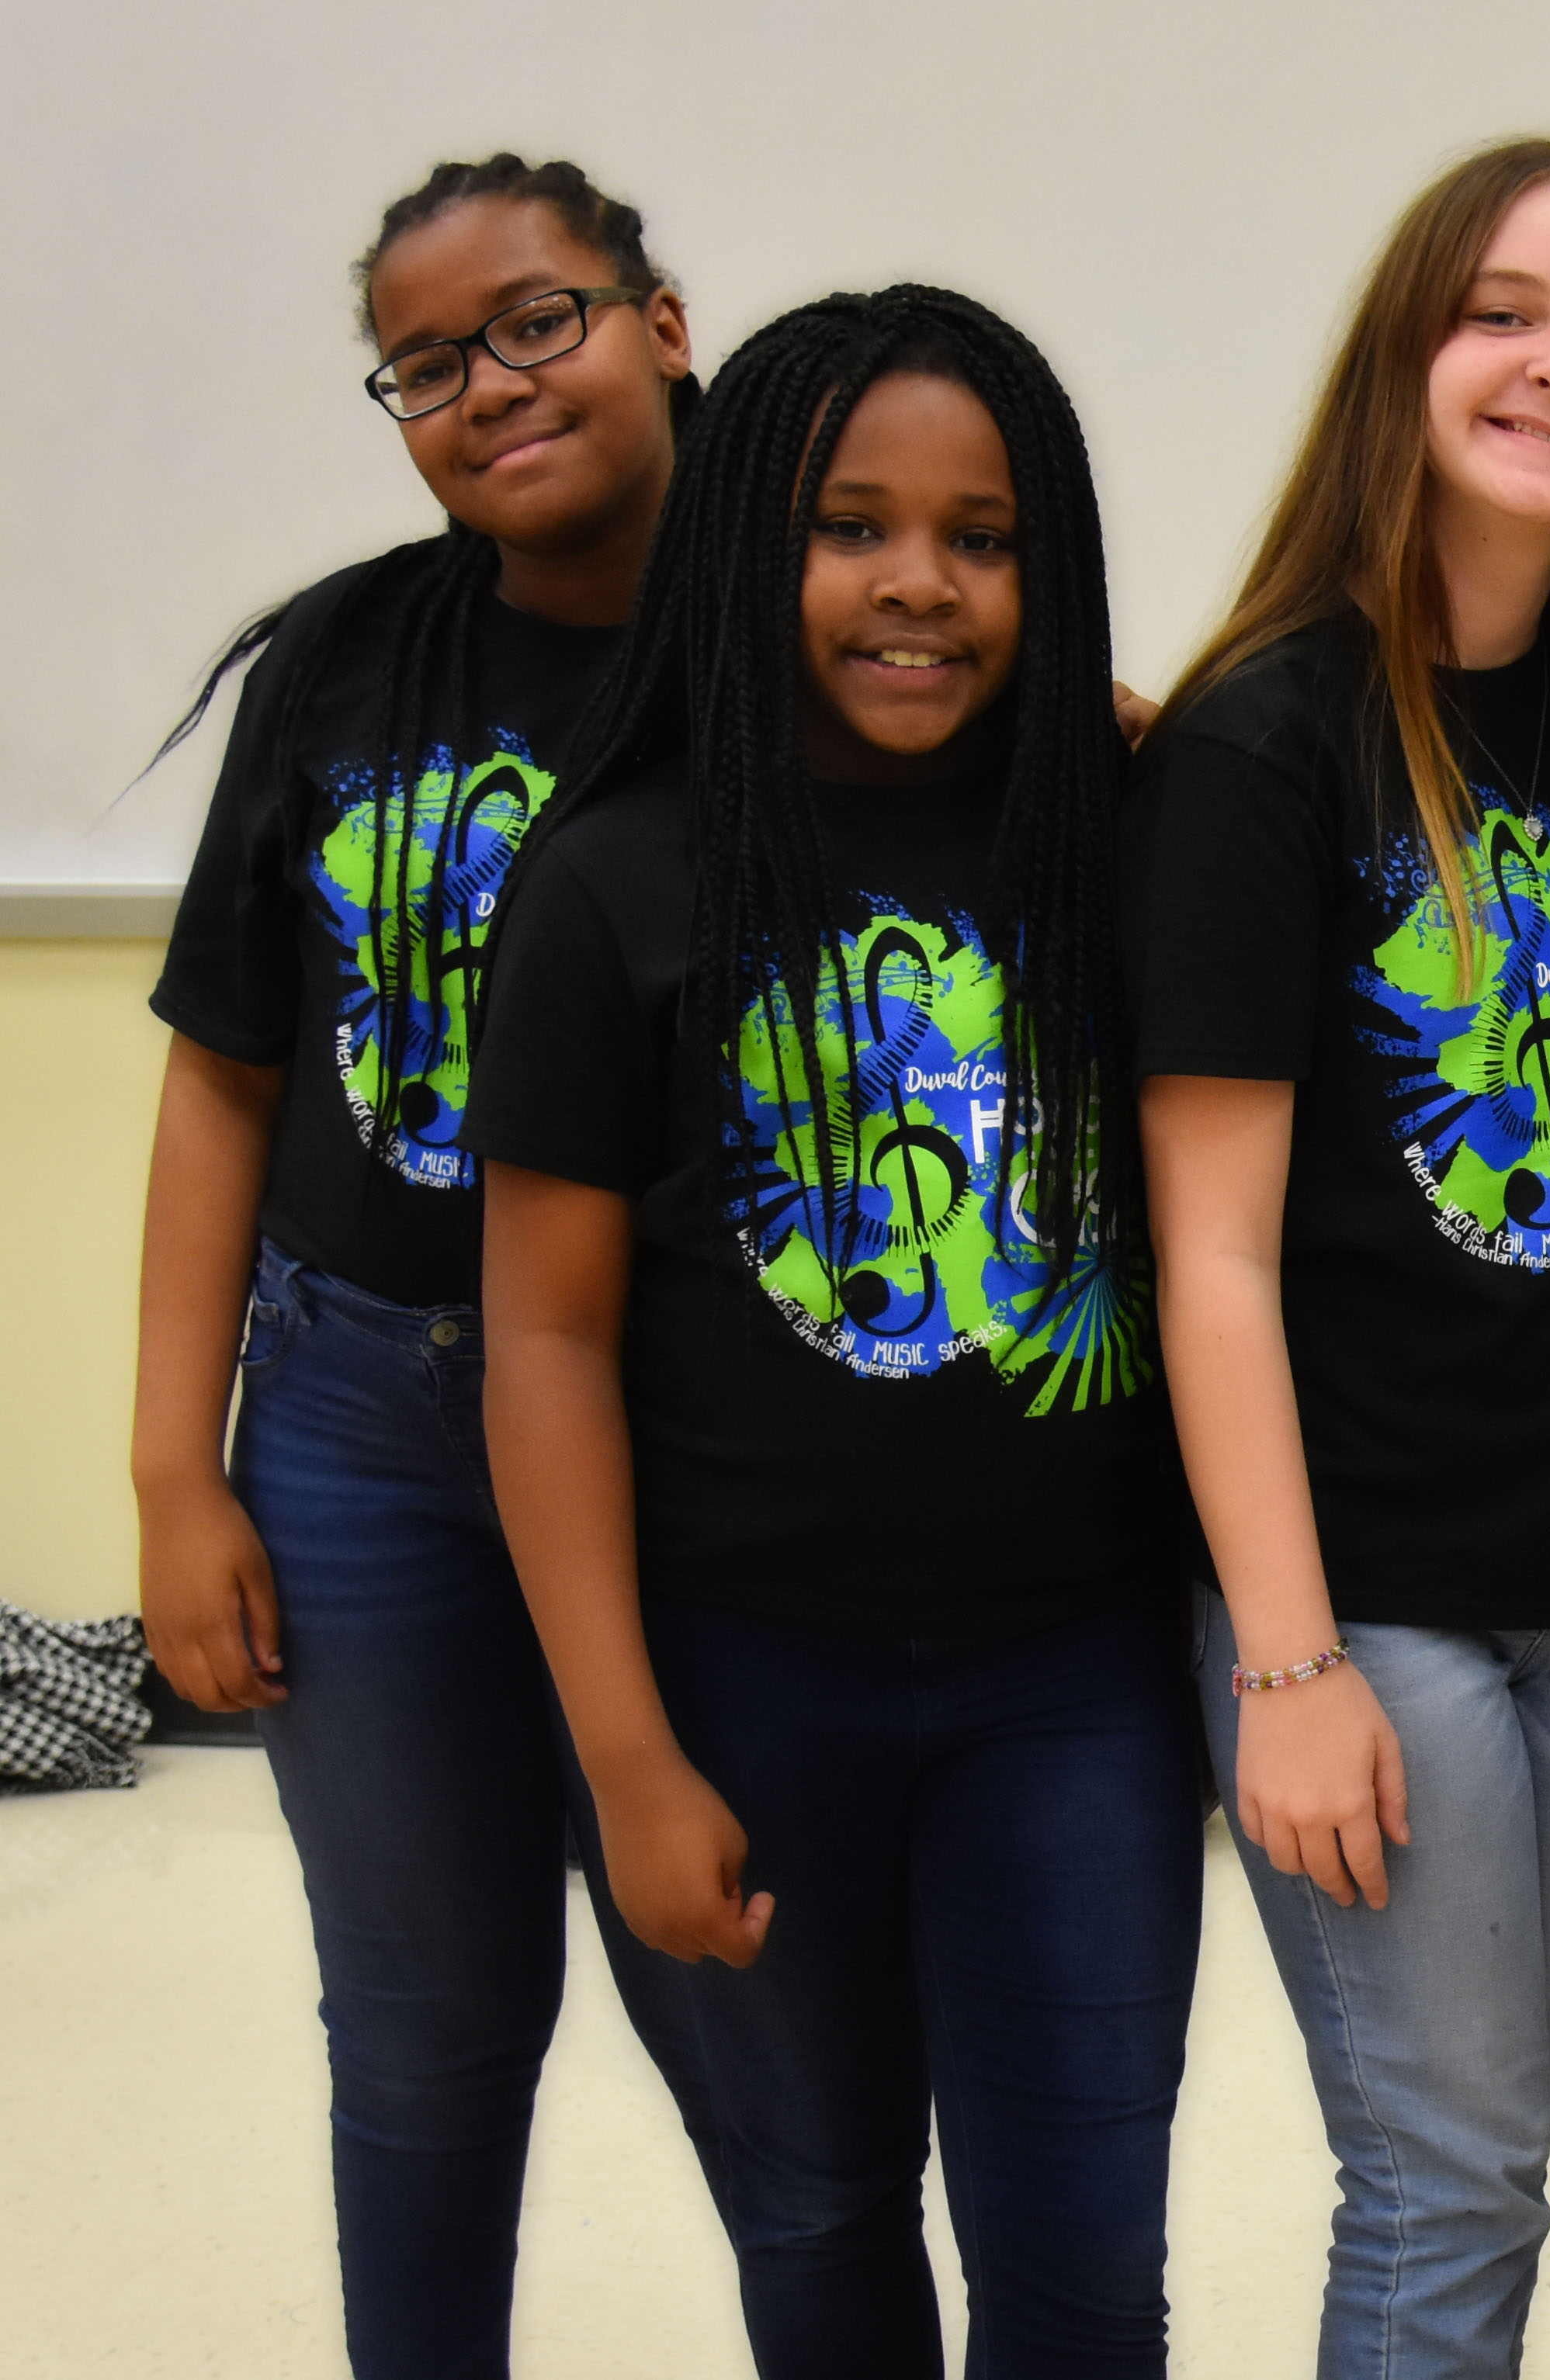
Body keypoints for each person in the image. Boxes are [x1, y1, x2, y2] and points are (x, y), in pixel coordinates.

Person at [466, 286, 1202, 2380]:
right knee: (816, 2218)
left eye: (984, 539)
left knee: (1081, 2266)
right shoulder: (612, 885)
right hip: (735, 1678)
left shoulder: (1119, 851)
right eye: (848, 524)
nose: (918, 584)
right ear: (739, 547)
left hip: (1071, 1683)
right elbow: (541, 1343)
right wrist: (624, 1754)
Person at [1118, 140, 1550, 2380]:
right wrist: (1287, 1667)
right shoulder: (1270, 739)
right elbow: (1210, 1258)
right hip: (1376, 1599)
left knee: (1482, 2151)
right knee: (1444, 2170)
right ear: (1407, 351)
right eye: (1504, 311)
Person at [128, 153, 702, 2378]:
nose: (491, 383)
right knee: (427, 2024)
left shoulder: (815, 642)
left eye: (542, 318)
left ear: (664, 321)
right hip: (361, 1418)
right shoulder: (352, 662)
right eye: (428, 362)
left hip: (684, 1426)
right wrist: (182, 1474)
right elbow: (222, 1085)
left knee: (749, 2001)